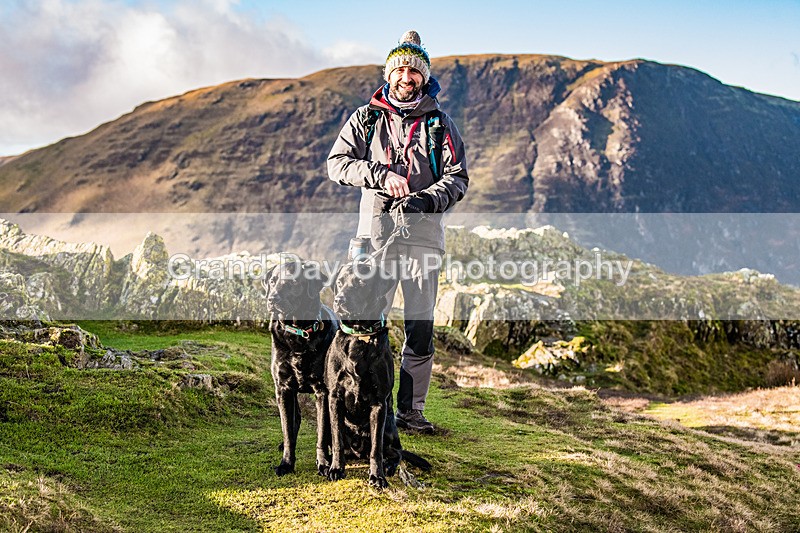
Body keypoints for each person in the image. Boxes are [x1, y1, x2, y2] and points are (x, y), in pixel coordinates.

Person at [327, 30, 468, 433]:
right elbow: (337, 164)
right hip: (372, 239)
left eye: (415, 70)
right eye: (400, 68)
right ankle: (359, 407)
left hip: (422, 238)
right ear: (390, 74)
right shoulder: (365, 118)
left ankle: (410, 412)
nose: (407, 75)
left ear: (424, 77)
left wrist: (426, 200)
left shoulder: (441, 124)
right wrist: (377, 174)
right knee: (362, 321)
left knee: (419, 329)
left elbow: (458, 178)